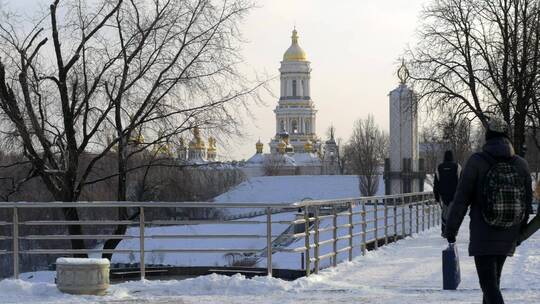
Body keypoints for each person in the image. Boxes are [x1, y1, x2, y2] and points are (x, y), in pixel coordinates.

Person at [444, 117, 532, 304]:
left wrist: (451, 230)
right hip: (509, 234)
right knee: (493, 284)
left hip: (483, 235)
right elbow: (527, 202)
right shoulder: (521, 164)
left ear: (488, 136)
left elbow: (461, 199)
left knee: (489, 285)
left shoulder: (476, 162)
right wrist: (519, 233)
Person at [434, 150, 461, 235]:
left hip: (443, 195)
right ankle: (453, 232)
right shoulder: (457, 167)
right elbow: (462, 181)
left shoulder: (439, 167)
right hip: (455, 195)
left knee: (444, 213)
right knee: (453, 213)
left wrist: (437, 197)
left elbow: (436, 183)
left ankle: (444, 231)